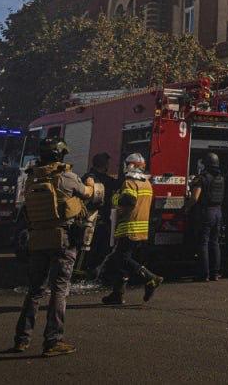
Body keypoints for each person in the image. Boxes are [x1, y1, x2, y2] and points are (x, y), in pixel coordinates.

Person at [13, 136, 98, 357]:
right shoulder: (66, 178)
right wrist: (90, 182)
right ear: (60, 155)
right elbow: (88, 194)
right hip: (62, 239)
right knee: (59, 290)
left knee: (34, 291)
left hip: (37, 239)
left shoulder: (31, 179)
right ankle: (53, 340)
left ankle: (22, 339)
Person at [101, 153, 163, 305]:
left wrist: (114, 198)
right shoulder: (146, 183)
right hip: (141, 228)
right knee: (121, 260)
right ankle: (117, 294)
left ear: (130, 166)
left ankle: (150, 278)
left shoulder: (130, 183)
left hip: (129, 227)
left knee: (122, 258)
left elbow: (128, 200)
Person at [79, 153, 118, 274]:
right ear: (105, 164)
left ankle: (84, 270)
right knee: (94, 247)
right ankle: (86, 271)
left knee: (87, 246)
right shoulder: (100, 179)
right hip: (96, 219)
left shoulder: (86, 177)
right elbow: (118, 184)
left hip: (89, 219)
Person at [191, 152, 225, 281]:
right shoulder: (221, 178)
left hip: (206, 212)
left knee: (203, 243)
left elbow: (195, 197)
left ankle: (203, 274)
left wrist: (187, 207)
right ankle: (214, 273)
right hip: (218, 212)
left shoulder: (202, 178)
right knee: (214, 242)